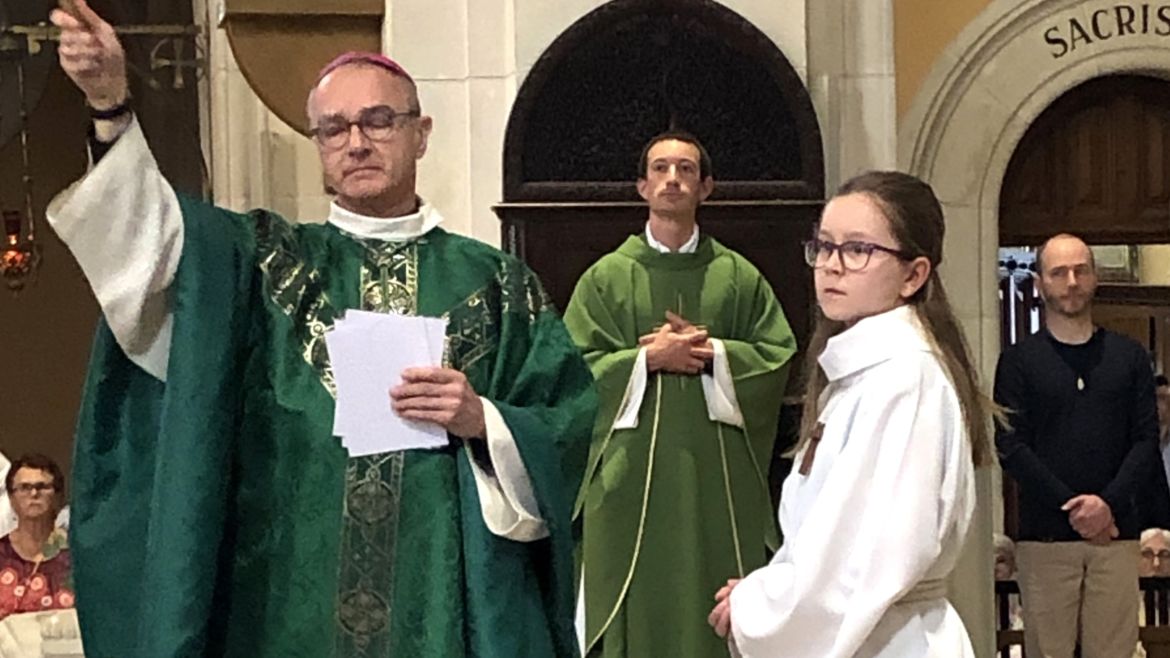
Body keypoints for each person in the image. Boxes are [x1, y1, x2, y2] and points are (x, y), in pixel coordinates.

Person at [47, 2, 597, 656]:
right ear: (317, 146)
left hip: (439, 608)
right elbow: (154, 249)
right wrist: (111, 105)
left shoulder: (498, 285)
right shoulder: (260, 259)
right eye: (334, 128)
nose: (356, 141)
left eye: (378, 121)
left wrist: (486, 421)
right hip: (280, 598)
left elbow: (566, 424)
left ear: (421, 133)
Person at [708, 171, 993, 657]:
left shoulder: (904, 379)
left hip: (893, 641)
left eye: (858, 249)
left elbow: (861, 558)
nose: (831, 266)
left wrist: (758, 605)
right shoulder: (860, 373)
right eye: (824, 246)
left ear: (913, 274)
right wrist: (774, 590)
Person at [564, 132, 796, 658]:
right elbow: (573, 375)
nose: (673, 179)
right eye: (661, 169)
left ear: (706, 187)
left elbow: (778, 355)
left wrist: (713, 352)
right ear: (642, 186)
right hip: (626, 484)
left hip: (717, 482)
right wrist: (647, 360)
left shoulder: (738, 277)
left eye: (686, 170)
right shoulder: (605, 278)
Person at [994, 233, 1159, 658]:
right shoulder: (1018, 361)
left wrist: (1106, 506)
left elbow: (1145, 440)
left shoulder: (1129, 356)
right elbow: (1011, 446)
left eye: (1080, 271)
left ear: (1094, 277)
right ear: (1039, 283)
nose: (1071, 282)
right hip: (1045, 538)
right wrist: (1075, 508)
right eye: (1059, 273)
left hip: (1116, 536)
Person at [0, 454, 74, 620]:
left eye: (42, 487)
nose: (34, 494)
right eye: (24, 487)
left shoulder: (78, 556)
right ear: (11, 498)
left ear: (57, 496)